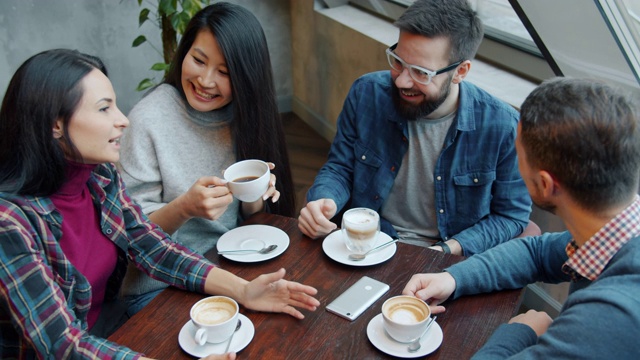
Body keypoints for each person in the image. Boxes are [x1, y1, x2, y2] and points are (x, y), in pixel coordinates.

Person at [0, 48, 319, 359]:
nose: (123, 120)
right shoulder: (9, 221)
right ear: (54, 124)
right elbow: (63, 345)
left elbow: (153, 248)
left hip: (115, 331)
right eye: (103, 109)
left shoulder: (99, 177)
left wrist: (243, 291)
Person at [403, 77, 640, 358]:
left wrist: (521, 333)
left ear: (544, 184)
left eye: (519, 155)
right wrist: (453, 278)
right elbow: (537, 253)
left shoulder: (608, 319)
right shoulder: (614, 233)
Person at [297, 0, 532, 256]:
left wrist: (443, 251)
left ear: (460, 71)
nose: (402, 81)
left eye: (421, 72)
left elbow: (511, 217)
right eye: (398, 61)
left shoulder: (502, 126)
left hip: (446, 258)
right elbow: (340, 167)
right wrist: (325, 200)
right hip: (369, 244)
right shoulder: (367, 93)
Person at [118, 2, 296, 314]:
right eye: (199, 61)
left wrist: (256, 195)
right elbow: (129, 233)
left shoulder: (246, 118)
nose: (206, 81)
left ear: (246, 78)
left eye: (224, 72)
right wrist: (184, 208)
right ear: (184, 52)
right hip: (158, 285)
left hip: (229, 267)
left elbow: (247, 222)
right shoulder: (148, 119)